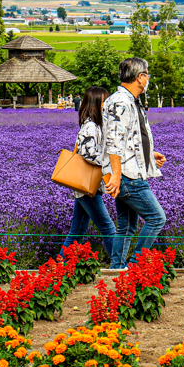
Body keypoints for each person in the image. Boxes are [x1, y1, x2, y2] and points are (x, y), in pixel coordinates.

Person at [104, 57, 167, 269]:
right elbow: (113, 140)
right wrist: (116, 174)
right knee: (157, 218)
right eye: (147, 75)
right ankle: (136, 266)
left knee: (126, 226)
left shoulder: (130, 100)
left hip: (129, 170)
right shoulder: (121, 101)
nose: (148, 79)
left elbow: (130, 138)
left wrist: (150, 156)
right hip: (128, 176)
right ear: (140, 78)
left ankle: (117, 268)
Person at [62, 86, 117, 263]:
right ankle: (119, 265)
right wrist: (110, 165)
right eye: (104, 101)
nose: (107, 105)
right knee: (108, 228)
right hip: (86, 186)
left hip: (84, 186)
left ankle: (58, 266)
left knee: (77, 231)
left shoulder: (95, 125)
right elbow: (88, 153)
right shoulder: (91, 127)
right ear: (95, 104)